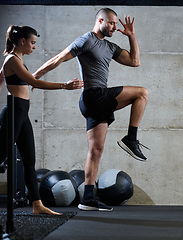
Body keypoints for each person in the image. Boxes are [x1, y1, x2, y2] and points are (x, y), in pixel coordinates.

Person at [33, 8, 149, 211]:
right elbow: (59, 58)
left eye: (116, 24)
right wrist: (34, 77)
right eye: (112, 23)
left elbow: (135, 61)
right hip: (94, 95)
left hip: (97, 99)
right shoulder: (86, 40)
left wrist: (132, 36)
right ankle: (131, 138)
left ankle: (86, 199)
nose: (115, 27)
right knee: (142, 93)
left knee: (96, 151)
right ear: (100, 20)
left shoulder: (110, 46)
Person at [0, 25, 84, 215]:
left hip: (22, 114)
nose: (34, 47)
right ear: (22, 41)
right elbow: (34, 82)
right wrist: (65, 86)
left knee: (29, 160)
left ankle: (37, 205)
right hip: (14, 112)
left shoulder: (17, 60)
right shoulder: (12, 60)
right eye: (32, 43)